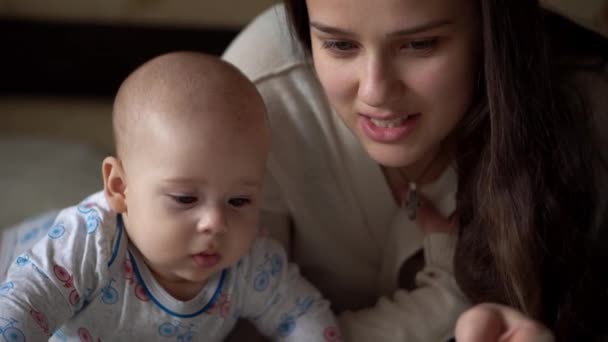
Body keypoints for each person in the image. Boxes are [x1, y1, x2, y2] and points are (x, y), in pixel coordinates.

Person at [222, 0, 608, 340]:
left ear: (489, 32)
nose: (375, 92)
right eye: (340, 45)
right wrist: (450, 297)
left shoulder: (586, 112)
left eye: (420, 44)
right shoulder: (254, 102)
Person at [0, 51, 341, 341]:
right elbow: (22, 308)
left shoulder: (250, 264)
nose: (216, 223)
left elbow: (303, 314)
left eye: (239, 201)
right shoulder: (90, 244)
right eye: (185, 198)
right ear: (120, 187)